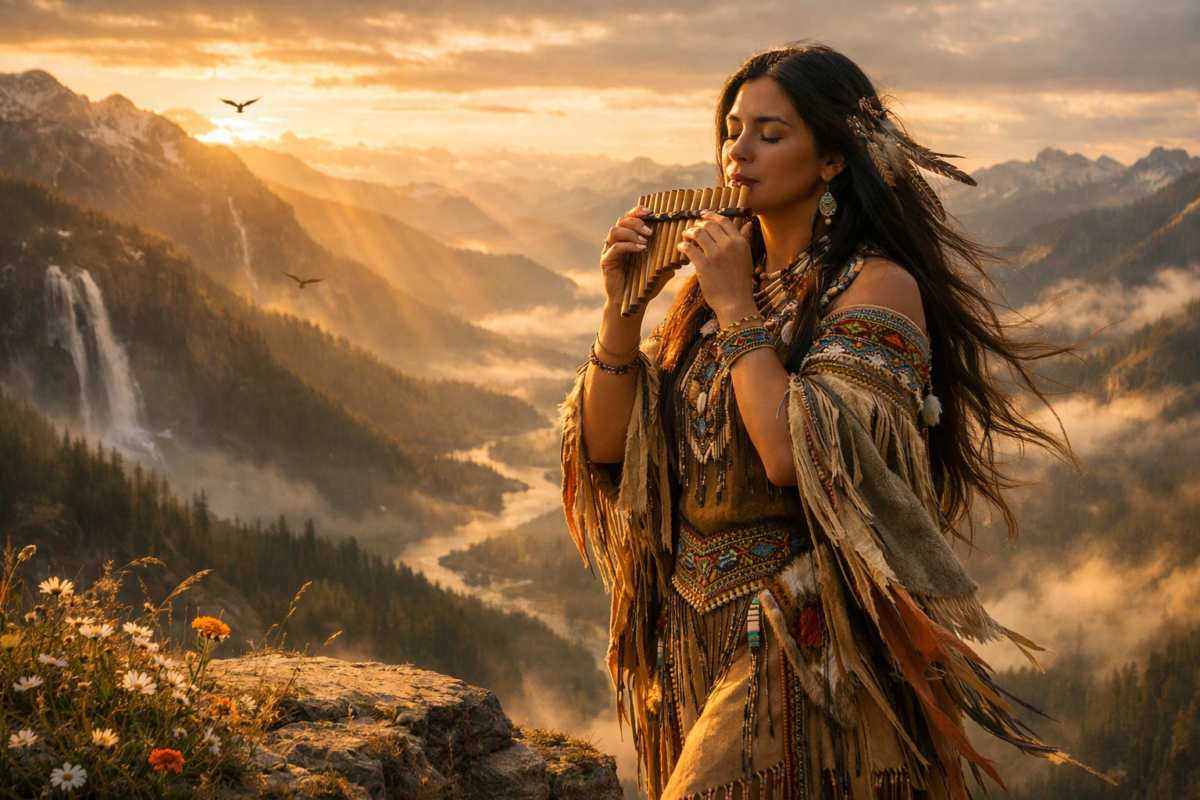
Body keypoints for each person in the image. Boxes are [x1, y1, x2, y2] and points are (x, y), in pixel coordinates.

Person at [560, 44, 1108, 800]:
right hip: (689, 635)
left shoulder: (876, 287)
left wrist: (736, 308)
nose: (737, 153)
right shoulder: (711, 289)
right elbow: (607, 449)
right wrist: (621, 312)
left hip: (804, 645)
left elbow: (793, 454)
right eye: (731, 130)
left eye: (769, 133)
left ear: (831, 160)